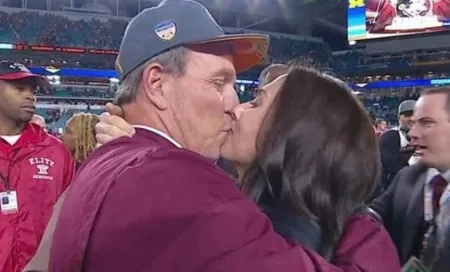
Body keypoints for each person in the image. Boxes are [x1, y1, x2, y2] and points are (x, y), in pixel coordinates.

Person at [50, 1, 398, 271]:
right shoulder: (180, 184)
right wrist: (362, 228)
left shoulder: (113, 158)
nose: (235, 104)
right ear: (157, 85)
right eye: (219, 83)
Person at [97, 67, 400, 270]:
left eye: (256, 103)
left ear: (291, 132)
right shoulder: (247, 200)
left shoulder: (347, 236)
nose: (236, 108)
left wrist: (146, 168)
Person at [0, 61, 75, 272]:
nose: (30, 96)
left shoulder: (56, 153)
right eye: (19, 88)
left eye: (33, 90)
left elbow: (71, 218)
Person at [371, 88, 450, 271]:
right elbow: (368, 218)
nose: (413, 133)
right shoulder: (408, 178)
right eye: (413, 123)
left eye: (426, 123)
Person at [23, 113, 100, 272]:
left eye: (68, 131)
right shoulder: (63, 161)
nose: (62, 135)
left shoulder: (88, 171)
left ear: (82, 137)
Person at [379, 100, 416, 190]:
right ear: (399, 117)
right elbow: (393, 166)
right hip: (390, 189)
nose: (411, 118)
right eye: (407, 115)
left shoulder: (427, 137)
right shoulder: (390, 136)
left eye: (415, 115)